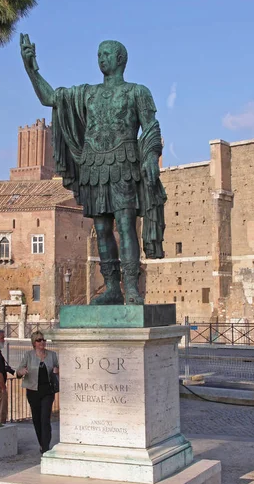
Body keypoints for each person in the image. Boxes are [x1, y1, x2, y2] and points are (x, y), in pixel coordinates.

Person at [20, 34, 167, 305]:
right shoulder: (87, 93)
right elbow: (51, 98)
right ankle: (112, 287)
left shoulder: (137, 91)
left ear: (121, 59)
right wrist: (32, 69)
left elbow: (152, 128)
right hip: (94, 166)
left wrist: (151, 157)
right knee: (101, 229)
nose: (101, 58)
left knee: (125, 226)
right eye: (99, 54)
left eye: (107, 54)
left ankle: (131, 287)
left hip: (124, 165)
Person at [16, 331, 59, 454]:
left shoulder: (52, 355)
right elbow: (18, 371)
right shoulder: (28, 355)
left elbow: (59, 368)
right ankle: (41, 443)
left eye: (44, 340)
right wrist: (21, 372)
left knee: (45, 418)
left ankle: (45, 447)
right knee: (36, 419)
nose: (42, 342)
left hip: (48, 391)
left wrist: (57, 370)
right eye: (39, 340)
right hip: (33, 391)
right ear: (34, 343)